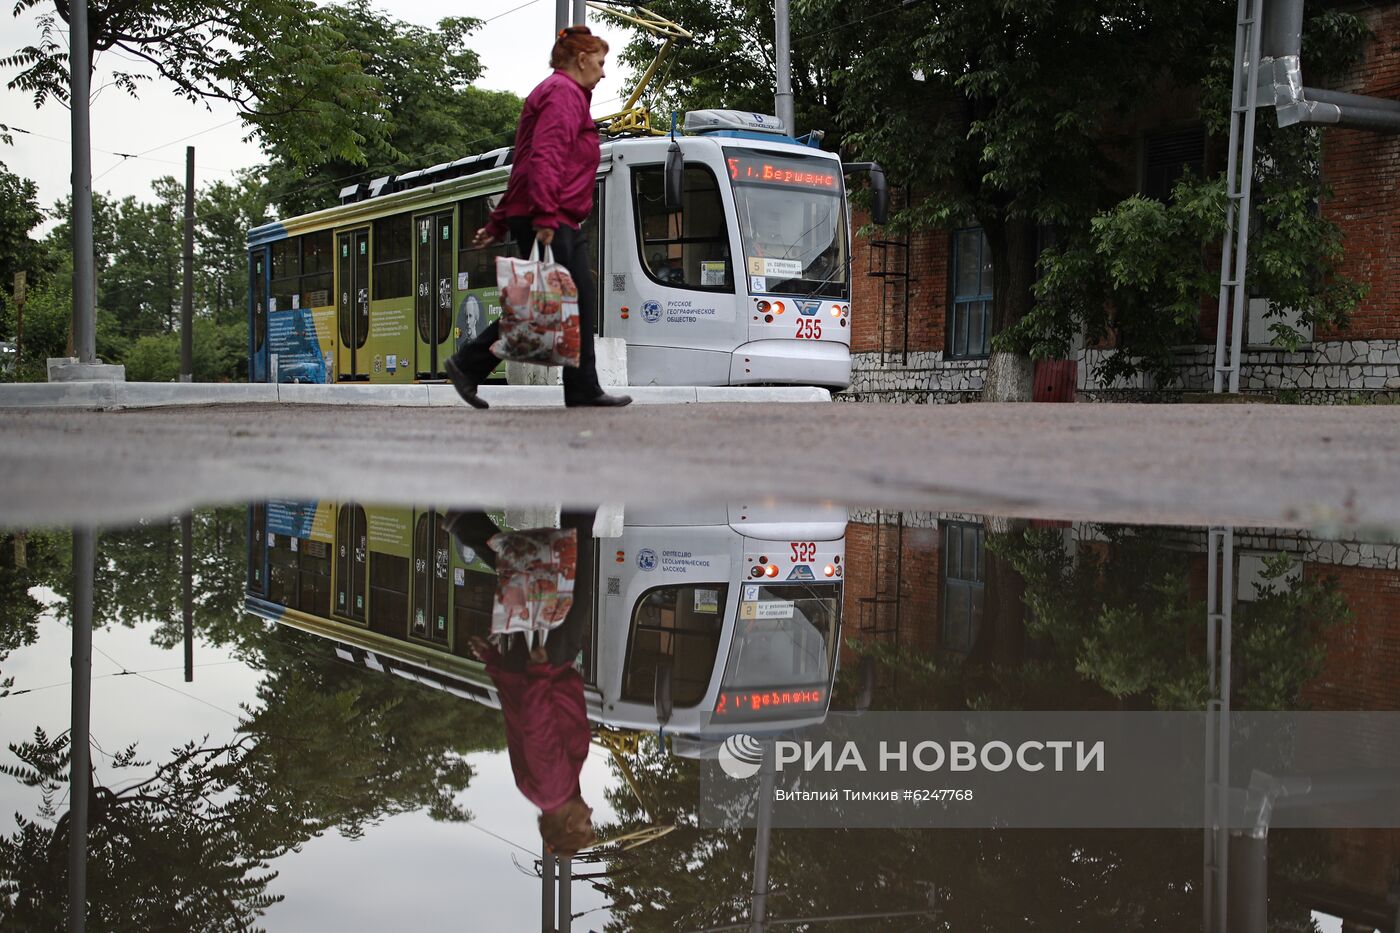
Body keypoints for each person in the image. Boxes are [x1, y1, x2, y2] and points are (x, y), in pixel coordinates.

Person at [444, 25, 631, 410]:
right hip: (549, 212)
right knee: (570, 298)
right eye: (600, 62)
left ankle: (471, 366)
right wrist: (545, 214)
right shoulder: (563, 93)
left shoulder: (561, 94)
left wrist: (499, 220)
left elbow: (524, 161)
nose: (604, 71)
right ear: (581, 59)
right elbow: (546, 156)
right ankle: (578, 387)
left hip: (542, 209)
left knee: (546, 301)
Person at [446, 509, 598, 856]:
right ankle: (468, 526)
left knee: (567, 583)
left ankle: (582, 509)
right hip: (533, 674)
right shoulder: (544, 791)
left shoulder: (551, 788)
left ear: (570, 823)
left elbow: (536, 727)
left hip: (547, 667)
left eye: (587, 822)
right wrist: (496, 664)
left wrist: (539, 673)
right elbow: (517, 720)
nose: (590, 813)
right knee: (538, 584)